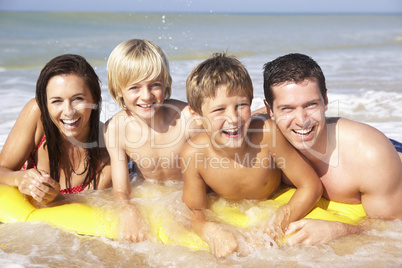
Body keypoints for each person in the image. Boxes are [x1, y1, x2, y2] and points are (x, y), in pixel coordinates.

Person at [182, 53, 322, 257]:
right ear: (196, 116)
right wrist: (210, 230)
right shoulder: (193, 154)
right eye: (219, 110)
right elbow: (194, 211)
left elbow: (311, 185)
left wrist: (274, 226)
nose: (233, 118)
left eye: (241, 105)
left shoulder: (266, 134)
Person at [262, 53, 402, 246]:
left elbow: (393, 225)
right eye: (287, 109)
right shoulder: (261, 136)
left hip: (388, 152)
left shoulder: (369, 156)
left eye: (311, 105)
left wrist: (340, 229)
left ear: (326, 100)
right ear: (270, 111)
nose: (302, 120)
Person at [104, 39, 200, 242]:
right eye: (135, 88)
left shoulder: (187, 118)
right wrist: (128, 210)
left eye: (154, 85)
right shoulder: (115, 129)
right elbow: (121, 190)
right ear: (118, 90)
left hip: (185, 191)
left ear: (166, 83)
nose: (146, 96)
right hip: (147, 191)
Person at [0, 54, 112, 205]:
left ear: (94, 99)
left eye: (78, 99)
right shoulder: (37, 115)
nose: (68, 111)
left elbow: (91, 206)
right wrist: (18, 178)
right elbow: (2, 169)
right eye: (57, 101)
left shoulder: (108, 150)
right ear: (45, 103)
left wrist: (57, 198)